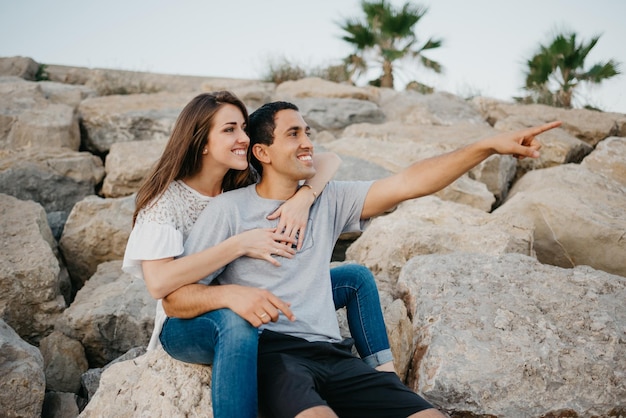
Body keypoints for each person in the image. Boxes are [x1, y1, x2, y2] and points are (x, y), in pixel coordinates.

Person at [166, 100, 561, 417]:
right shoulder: (229, 211)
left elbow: (409, 182)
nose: (307, 142)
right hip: (275, 354)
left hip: (334, 354)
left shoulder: (329, 199)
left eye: (307, 132)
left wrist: (485, 146)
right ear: (262, 151)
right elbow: (178, 295)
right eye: (293, 134)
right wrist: (233, 297)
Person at [122, 91, 394, 418]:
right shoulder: (166, 204)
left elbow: (329, 159)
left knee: (354, 278)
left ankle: (385, 376)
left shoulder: (243, 181)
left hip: (251, 298)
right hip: (189, 319)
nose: (244, 137)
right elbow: (159, 284)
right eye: (230, 130)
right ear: (202, 142)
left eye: (244, 129)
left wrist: (305, 197)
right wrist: (239, 244)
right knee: (238, 320)